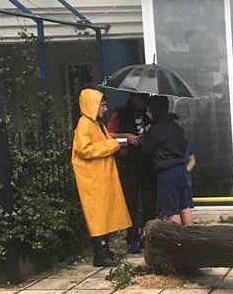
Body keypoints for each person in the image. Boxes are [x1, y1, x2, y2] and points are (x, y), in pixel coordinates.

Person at [71, 89, 134, 267]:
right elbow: (85, 150)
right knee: (97, 215)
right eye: (103, 105)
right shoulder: (85, 125)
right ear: (92, 105)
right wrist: (114, 144)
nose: (105, 109)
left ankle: (104, 250)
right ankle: (100, 253)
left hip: (100, 177)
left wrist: (115, 146)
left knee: (104, 213)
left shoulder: (96, 124)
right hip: (93, 179)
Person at [106, 93, 155, 254]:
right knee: (131, 202)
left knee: (149, 201)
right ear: (134, 99)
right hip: (129, 163)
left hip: (148, 163)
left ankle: (148, 236)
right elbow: (108, 134)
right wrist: (125, 136)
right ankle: (132, 237)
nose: (143, 102)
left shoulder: (149, 113)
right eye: (141, 99)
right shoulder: (120, 113)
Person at [142, 95, 195, 226]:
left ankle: (176, 241)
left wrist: (146, 135)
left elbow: (146, 150)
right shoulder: (176, 127)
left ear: (155, 111)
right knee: (184, 206)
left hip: (167, 173)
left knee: (171, 211)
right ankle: (191, 238)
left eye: (148, 110)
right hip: (181, 170)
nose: (147, 113)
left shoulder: (157, 129)